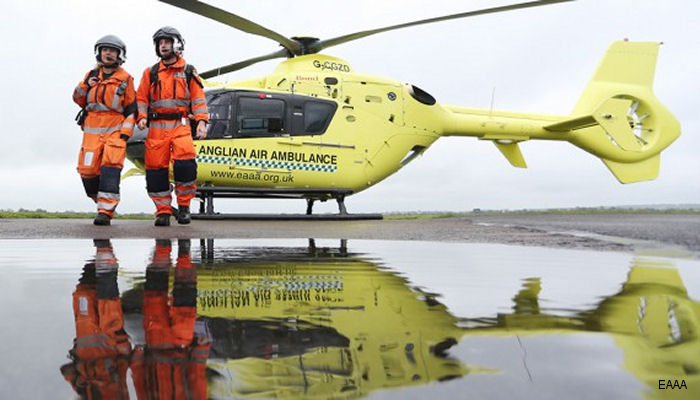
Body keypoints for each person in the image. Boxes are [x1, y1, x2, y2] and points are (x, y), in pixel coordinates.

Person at [136, 26, 208, 227]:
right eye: (160, 43)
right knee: (155, 171)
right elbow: (141, 98)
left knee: (185, 165)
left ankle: (184, 207)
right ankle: (163, 211)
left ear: (177, 44)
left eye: (167, 41)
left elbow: (198, 99)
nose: (163, 45)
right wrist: (141, 117)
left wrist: (201, 122)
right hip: (156, 127)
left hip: (181, 124)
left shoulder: (188, 71)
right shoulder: (149, 73)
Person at [131, 239, 210, 399]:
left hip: (157, 340)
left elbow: (140, 383)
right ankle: (184, 254)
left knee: (154, 294)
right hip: (178, 343)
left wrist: (137, 358)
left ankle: (163, 249)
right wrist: (201, 351)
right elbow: (197, 382)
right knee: (184, 299)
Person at [72, 35, 137, 226]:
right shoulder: (91, 74)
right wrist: (86, 84)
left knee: (111, 166)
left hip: (114, 129)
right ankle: (99, 201)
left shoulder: (126, 79)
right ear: (99, 52)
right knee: (87, 171)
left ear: (119, 55)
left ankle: (105, 211)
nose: (108, 53)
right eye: (105, 49)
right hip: (91, 131)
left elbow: (132, 109)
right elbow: (77, 99)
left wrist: (125, 133)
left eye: (112, 50)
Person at [60, 239, 132, 398]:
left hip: (96, 336)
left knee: (89, 291)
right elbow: (66, 371)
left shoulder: (86, 391)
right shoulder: (97, 391)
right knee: (98, 293)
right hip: (104, 336)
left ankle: (102, 252)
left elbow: (67, 371)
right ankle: (104, 250)